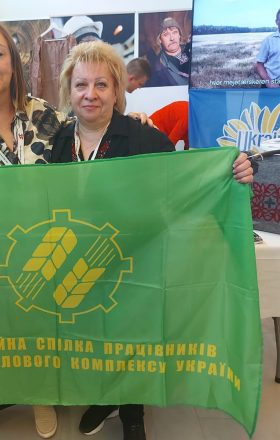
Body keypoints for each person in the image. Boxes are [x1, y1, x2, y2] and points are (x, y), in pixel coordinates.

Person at [0, 18, 153, 440]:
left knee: (39, 335)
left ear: (13, 62)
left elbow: (88, 132)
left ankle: (41, 395)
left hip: (45, 254)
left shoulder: (43, 116)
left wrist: (133, 123)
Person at [51, 40, 254, 440]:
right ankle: (105, 398)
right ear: (68, 91)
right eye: (81, 85)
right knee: (93, 340)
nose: (90, 94)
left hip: (134, 264)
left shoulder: (141, 136)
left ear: (117, 90)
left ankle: (133, 412)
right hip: (77, 263)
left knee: (131, 340)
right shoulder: (56, 141)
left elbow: (188, 174)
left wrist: (233, 169)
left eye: (102, 84)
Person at [145, 18, 190, 88]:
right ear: (160, 40)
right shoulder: (157, 70)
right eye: (166, 34)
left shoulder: (192, 52)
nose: (172, 38)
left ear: (179, 35)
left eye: (174, 32)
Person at [255, 9, 280, 88]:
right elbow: (259, 65)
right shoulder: (268, 40)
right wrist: (269, 82)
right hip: (273, 84)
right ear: (276, 22)